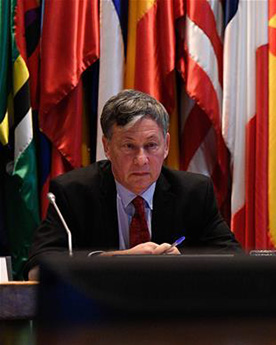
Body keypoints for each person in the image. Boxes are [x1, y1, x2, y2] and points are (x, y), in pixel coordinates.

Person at [26, 90, 240, 279]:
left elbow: (233, 258)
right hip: (97, 316)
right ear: (107, 147)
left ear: (166, 146)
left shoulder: (193, 192)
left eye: (151, 146)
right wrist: (117, 259)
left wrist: (183, 262)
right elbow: (37, 269)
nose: (141, 160)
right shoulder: (73, 192)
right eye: (129, 146)